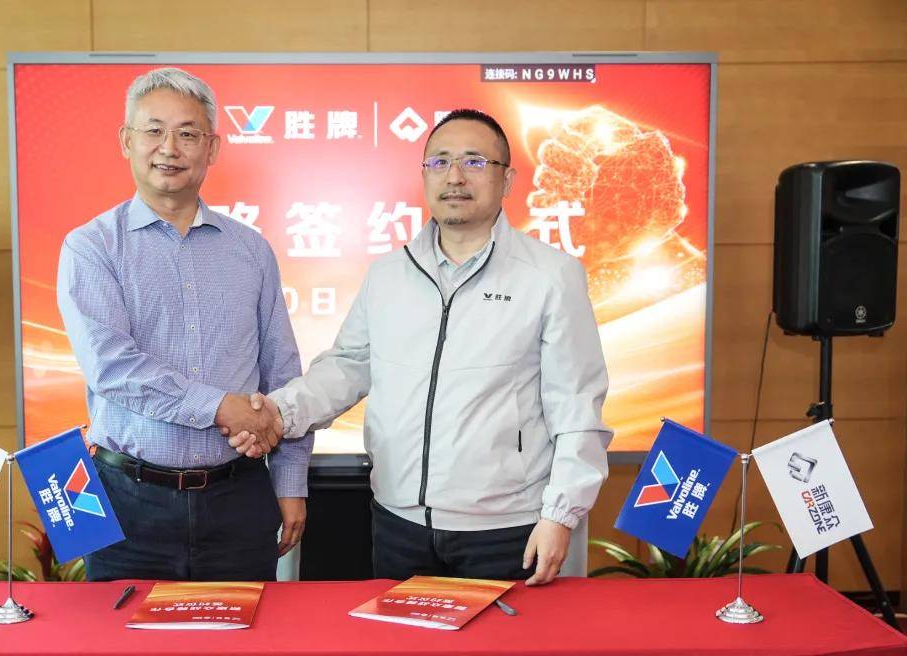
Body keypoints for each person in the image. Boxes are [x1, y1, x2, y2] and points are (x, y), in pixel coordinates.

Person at [231, 109, 611, 585]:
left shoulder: (550, 276)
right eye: (440, 161)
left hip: (508, 528)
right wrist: (276, 413)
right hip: (398, 522)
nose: (455, 177)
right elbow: (348, 367)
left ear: (507, 179)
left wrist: (559, 515)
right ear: (425, 174)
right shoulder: (388, 274)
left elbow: (577, 406)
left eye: (475, 162)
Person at [57, 67, 309, 582]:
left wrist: (290, 482)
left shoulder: (251, 250)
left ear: (212, 148)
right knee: (121, 628)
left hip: (238, 500)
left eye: (188, 134)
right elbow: (111, 368)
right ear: (126, 141)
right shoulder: (92, 247)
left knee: (245, 627)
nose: (169, 148)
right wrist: (219, 406)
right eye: (153, 130)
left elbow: (282, 373)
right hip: (128, 505)